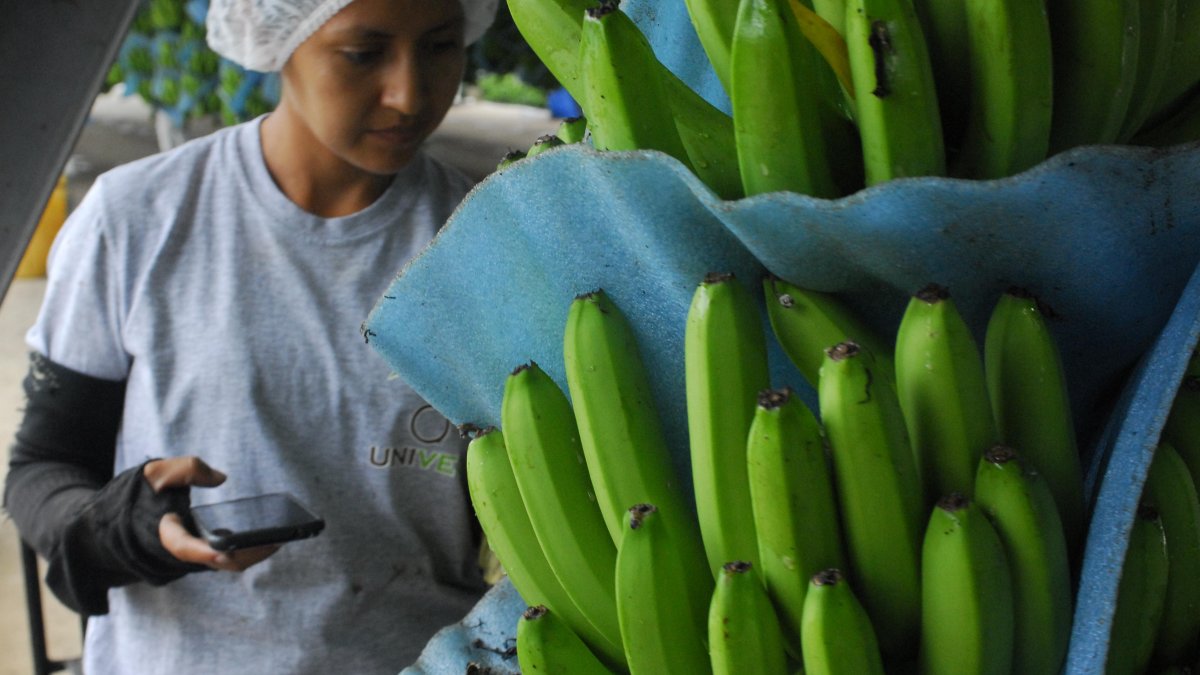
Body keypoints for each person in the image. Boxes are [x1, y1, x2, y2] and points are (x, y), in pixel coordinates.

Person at [3, 0, 500, 672]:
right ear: (280, 38)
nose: (408, 92)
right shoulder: (135, 222)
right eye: (363, 53)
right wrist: (124, 525)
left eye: (441, 47)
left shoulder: (489, 248)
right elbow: (42, 469)